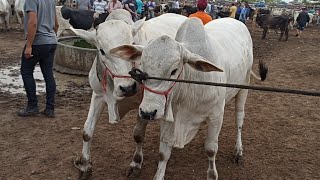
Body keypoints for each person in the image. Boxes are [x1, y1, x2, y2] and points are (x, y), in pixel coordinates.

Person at [18, 0, 59, 118]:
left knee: (26, 71)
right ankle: (50, 108)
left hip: (38, 42)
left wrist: (29, 45)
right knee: (48, 73)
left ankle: (32, 106)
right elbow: (56, 24)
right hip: (51, 41)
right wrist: (51, 37)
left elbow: (33, 22)